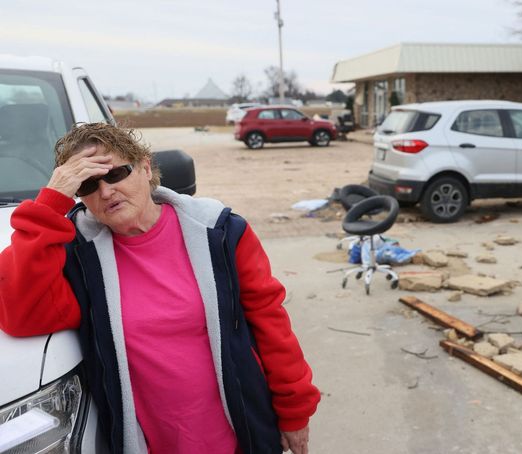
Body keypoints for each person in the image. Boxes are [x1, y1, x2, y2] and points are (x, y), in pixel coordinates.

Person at [0, 123, 320, 454]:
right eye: (87, 184)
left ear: (145, 167)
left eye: (116, 174)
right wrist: (49, 204)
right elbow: (21, 315)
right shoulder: (79, 256)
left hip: (239, 433)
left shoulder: (219, 232)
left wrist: (294, 411)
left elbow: (271, 323)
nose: (106, 191)